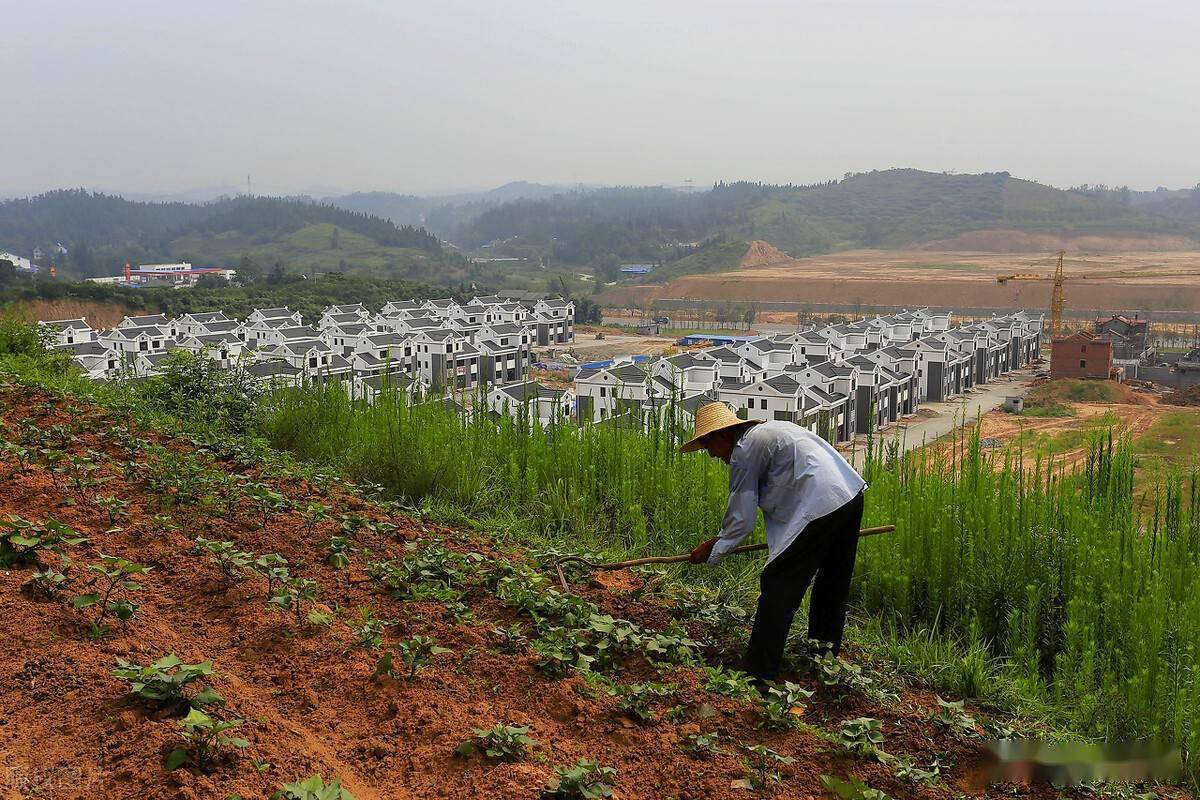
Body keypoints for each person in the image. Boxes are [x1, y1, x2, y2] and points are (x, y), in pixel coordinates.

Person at [681, 401, 866, 684]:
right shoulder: (772, 431)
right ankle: (822, 660)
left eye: (708, 448)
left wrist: (715, 549)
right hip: (848, 496)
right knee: (832, 584)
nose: (711, 456)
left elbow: (741, 519)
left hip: (819, 506)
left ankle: (759, 674)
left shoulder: (744, 452)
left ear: (720, 436)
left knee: (778, 585)